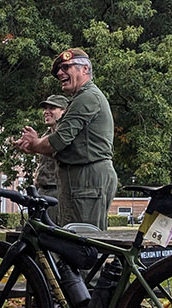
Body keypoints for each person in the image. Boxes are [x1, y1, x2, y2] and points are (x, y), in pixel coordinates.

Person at [16, 48, 117, 230]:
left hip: (86, 180)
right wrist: (34, 145)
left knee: (83, 242)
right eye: (59, 71)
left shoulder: (87, 97)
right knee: (72, 240)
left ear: (85, 69)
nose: (61, 73)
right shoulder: (82, 98)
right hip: (80, 180)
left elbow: (58, 141)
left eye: (66, 67)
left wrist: (34, 144)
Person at [34, 94, 68, 200]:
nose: (46, 112)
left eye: (52, 108)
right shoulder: (46, 135)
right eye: (45, 108)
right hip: (41, 191)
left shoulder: (66, 135)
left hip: (57, 191)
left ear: (64, 111)